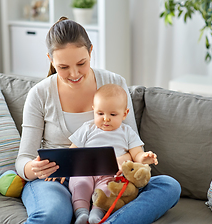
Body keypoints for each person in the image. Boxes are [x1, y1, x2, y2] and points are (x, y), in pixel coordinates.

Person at [15, 16, 181, 224]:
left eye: (81, 63)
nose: (74, 74)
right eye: (63, 67)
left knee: (169, 185)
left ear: (91, 51)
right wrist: (33, 168)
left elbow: (131, 141)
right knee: (52, 215)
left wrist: (127, 163)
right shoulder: (39, 94)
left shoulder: (114, 83)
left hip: (111, 179)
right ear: (50, 59)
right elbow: (23, 159)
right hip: (57, 181)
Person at [68, 83, 158, 224]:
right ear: (93, 110)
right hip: (85, 170)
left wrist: (144, 157)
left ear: (125, 114)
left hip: (111, 174)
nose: (106, 118)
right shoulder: (87, 128)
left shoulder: (127, 132)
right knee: (81, 184)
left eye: (113, 114)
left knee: (108, 189)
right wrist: (62, 167)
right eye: (100, 113)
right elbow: (71, 152)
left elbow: (137, 154)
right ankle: (81, 213)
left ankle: (96, 214)